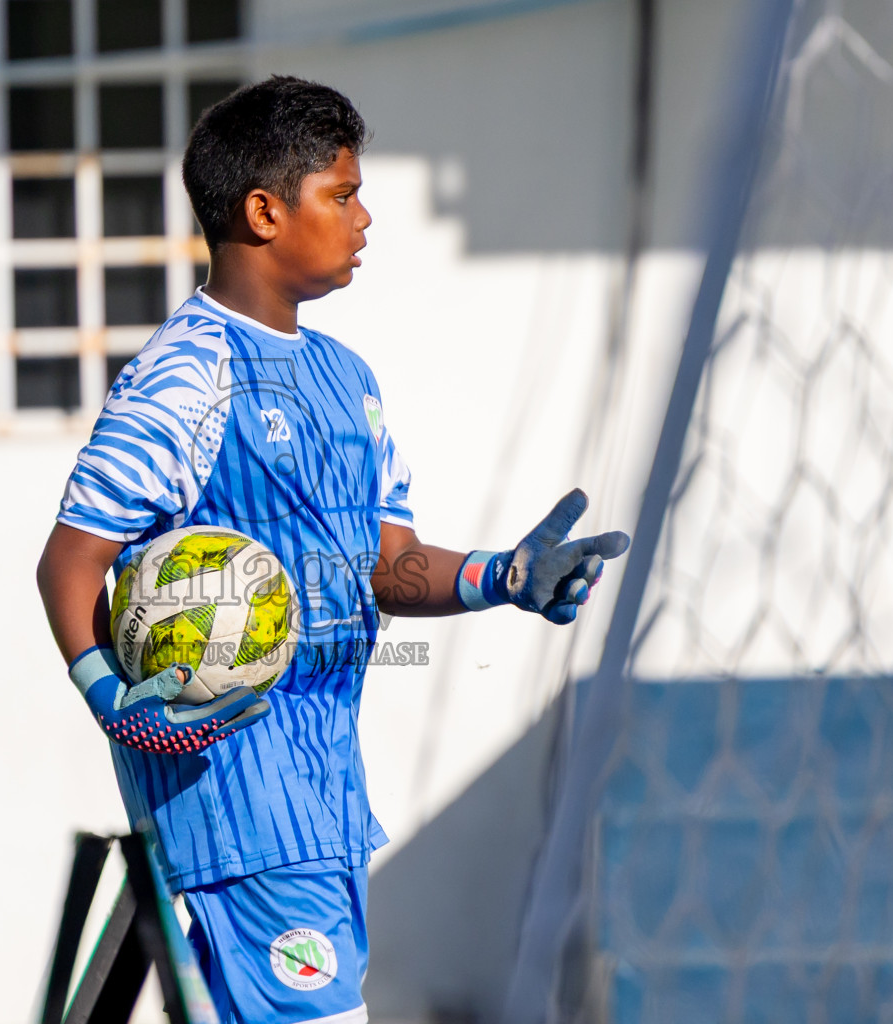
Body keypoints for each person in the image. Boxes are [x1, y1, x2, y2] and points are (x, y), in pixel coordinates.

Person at [36, 75, 630, 1024]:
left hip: (325, 790)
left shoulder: (346, 379)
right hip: (232, 789)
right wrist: (113, 697)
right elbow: (69, 562)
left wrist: (502, 578)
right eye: (342, 195)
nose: (365, 219)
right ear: (266, 211)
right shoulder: (185, 376)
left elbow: (384, 562)